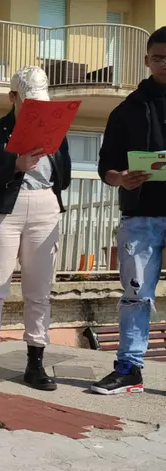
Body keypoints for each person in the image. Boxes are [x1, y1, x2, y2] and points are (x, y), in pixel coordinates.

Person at [0, 65, 72, 391]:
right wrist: (15, 166)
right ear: (13, 97)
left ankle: (36, 365)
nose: (35, 109)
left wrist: (56, 153)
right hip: (3, 210)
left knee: (39, 292)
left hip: (45, 208)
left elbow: (64, 180)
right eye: (28, 102)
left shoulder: (57, 129)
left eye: (40, 103)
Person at [92, 26, 166, 395]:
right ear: (147, 60)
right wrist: (119, 178)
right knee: (135, 294)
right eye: (159, 57)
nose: (164, 64)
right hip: (141, 215)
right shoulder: (127, 109)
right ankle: (129, 368)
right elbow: (105, 164)